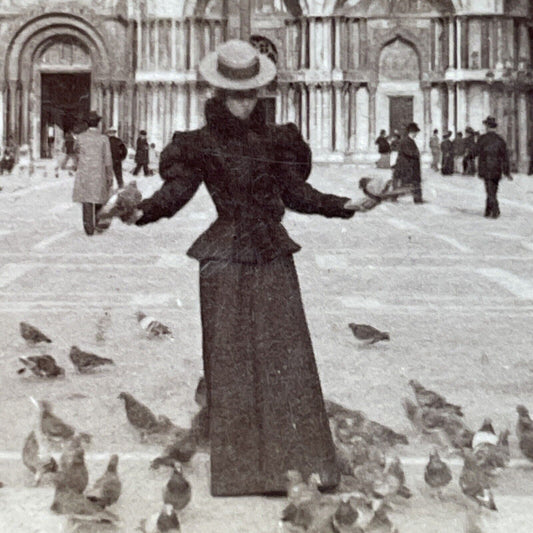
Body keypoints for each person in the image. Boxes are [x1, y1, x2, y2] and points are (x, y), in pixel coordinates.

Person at [114, 39, 382, 497]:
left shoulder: (278, 141)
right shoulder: (197, 144)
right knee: (231, 363)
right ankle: (242, 474)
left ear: (260, 93)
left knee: (287, 359)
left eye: (251, 93)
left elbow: (299, 194)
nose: (244, 102)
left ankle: (294, 469)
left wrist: (348, 204)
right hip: (223, 260)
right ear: (219, 93)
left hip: (272, 257)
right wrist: (137, 213)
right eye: (235, 94)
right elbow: (175, 194)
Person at [72, 111, 114, 235]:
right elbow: (108, 158)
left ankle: (88, 228)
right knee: (99, 198)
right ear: (98, 123)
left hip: (85, 173)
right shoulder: (103, 139)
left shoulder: (80, 137)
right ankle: (98, 223)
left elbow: (76, 151)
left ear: (86, 123)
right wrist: (109, 175)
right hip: (99, 172)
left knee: (87, 200)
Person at [475, 115, 512, 218]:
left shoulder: (482, 139)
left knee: (489, 189)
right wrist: (507, 171)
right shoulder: (500, 140)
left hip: (485, 168)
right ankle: (488, 210)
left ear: (487, 126)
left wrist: (468, 157)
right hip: (497, 168)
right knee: (493, 189)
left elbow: (475, 151)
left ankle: (495, 210)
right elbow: (505, 157)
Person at [393, 122, 423, 203]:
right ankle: (417, 199)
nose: (416, 134)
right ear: (412, 132)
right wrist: (416, 154)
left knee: (412, 182)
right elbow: (409, 152)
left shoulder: (409, 140)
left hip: (410, 165)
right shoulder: (406, 141)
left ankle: (418, 199)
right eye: (416, 132)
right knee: (411, 182)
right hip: (406, 166)